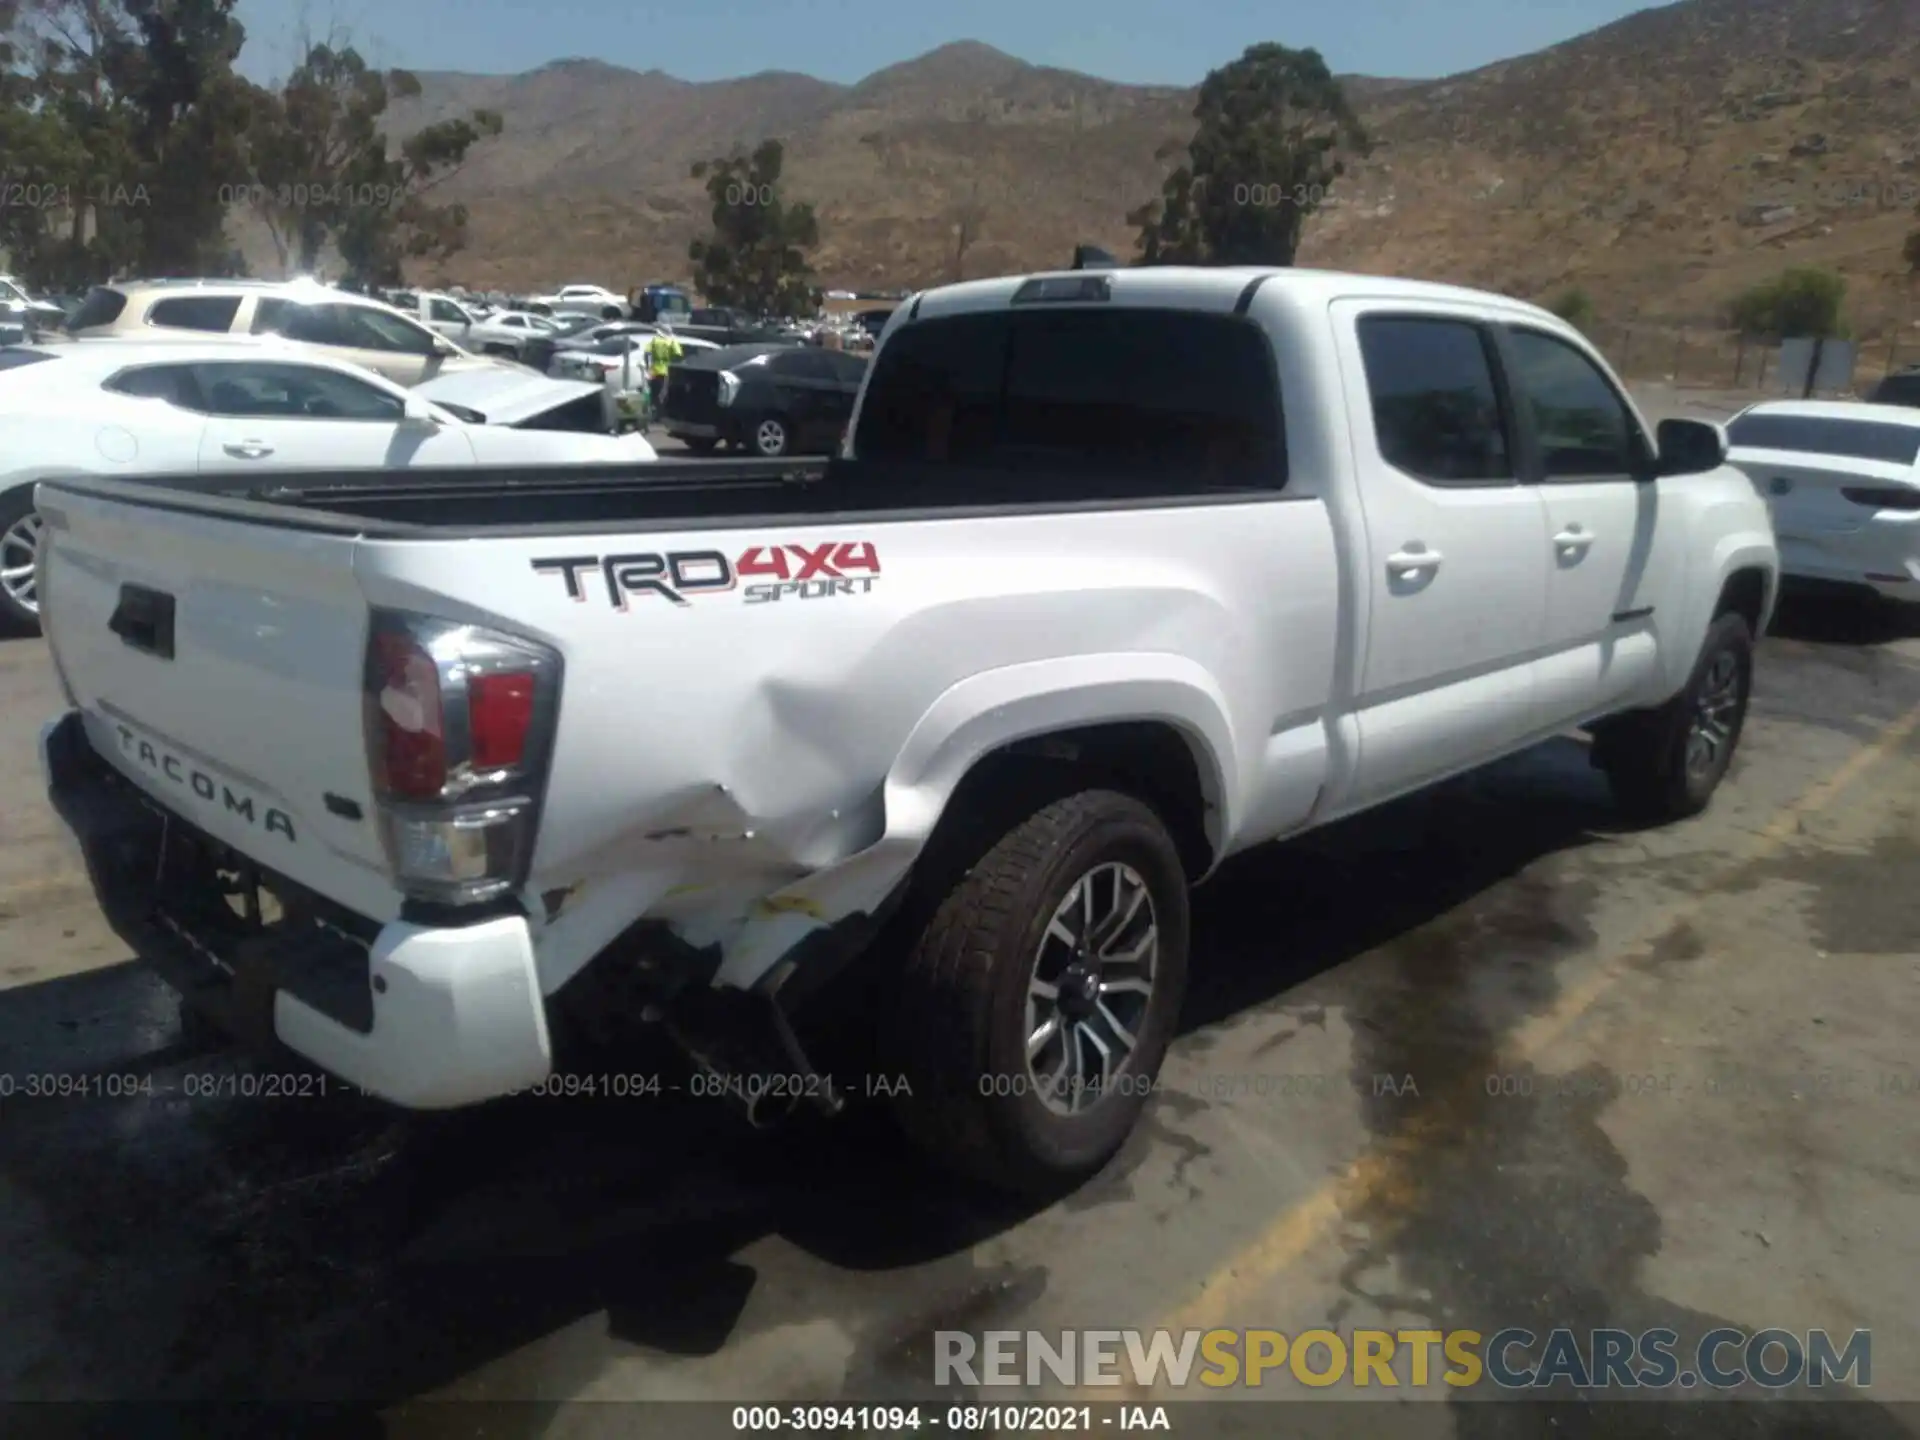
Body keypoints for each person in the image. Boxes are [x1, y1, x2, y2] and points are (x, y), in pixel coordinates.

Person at [646, 325, 683, 418]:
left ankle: (652, 413)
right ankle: (660, 414)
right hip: (667, 370)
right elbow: (678, 354)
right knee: (664, 394)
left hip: (654, 370)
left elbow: (647, 353)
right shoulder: (672, 341)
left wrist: (648, 366)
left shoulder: (654, 340)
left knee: (653, 393)